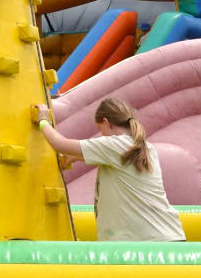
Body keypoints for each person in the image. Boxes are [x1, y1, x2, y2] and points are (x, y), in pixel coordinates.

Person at [35, 97, 185, 242]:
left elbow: (60, 144)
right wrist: (77, 157)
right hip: (167, 236)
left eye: (101, 130)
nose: (102, 135)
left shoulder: (114, 144)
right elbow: (121, 163)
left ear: (106, 122)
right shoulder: (144, 147)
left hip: (147, 242)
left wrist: (43, 121)